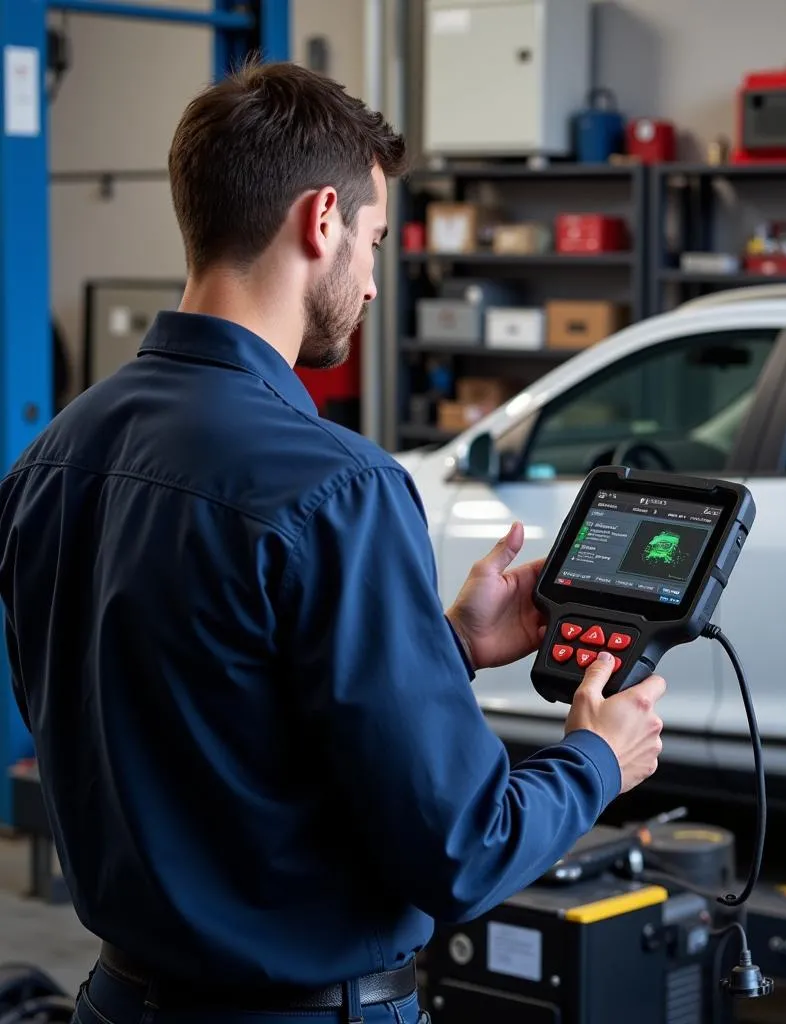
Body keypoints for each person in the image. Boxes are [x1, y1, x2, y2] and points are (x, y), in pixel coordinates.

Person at [0, 61, 666, 1024]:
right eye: (375, 244)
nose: (371, 285)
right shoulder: (339, 486)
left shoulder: (50, 460)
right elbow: (463, 851)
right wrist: (599, 759)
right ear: (322, 220)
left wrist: (449, 644)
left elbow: (203, 717)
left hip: (118, 1001)